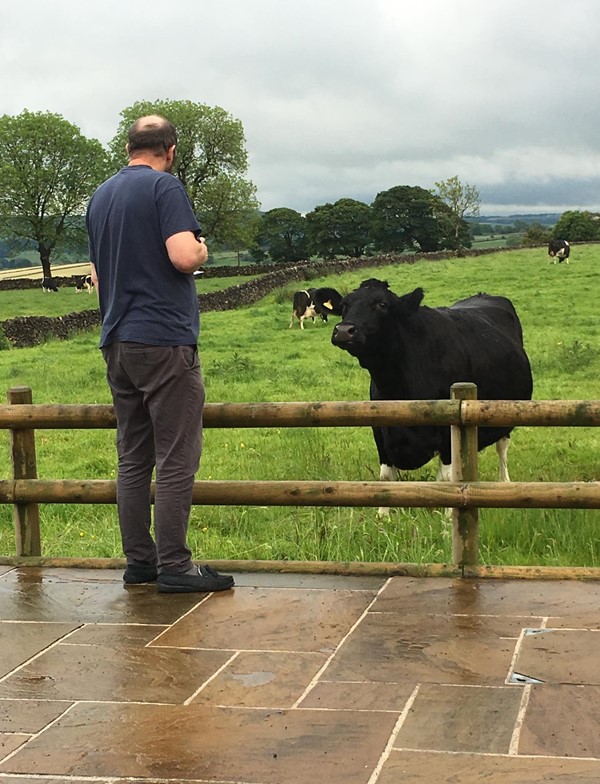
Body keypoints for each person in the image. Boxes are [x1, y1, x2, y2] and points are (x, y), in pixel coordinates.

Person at [86, 114, 234, 594]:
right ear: (169, 150)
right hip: (164, 340)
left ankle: (140, 563)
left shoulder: (101, 196)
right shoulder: (164, 188)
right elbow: (183, 256)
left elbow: (98, 278)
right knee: (175, 456)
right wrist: (203, 248)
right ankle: (176, 565)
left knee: (133, 456)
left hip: (117, 340)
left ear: (128, 147)